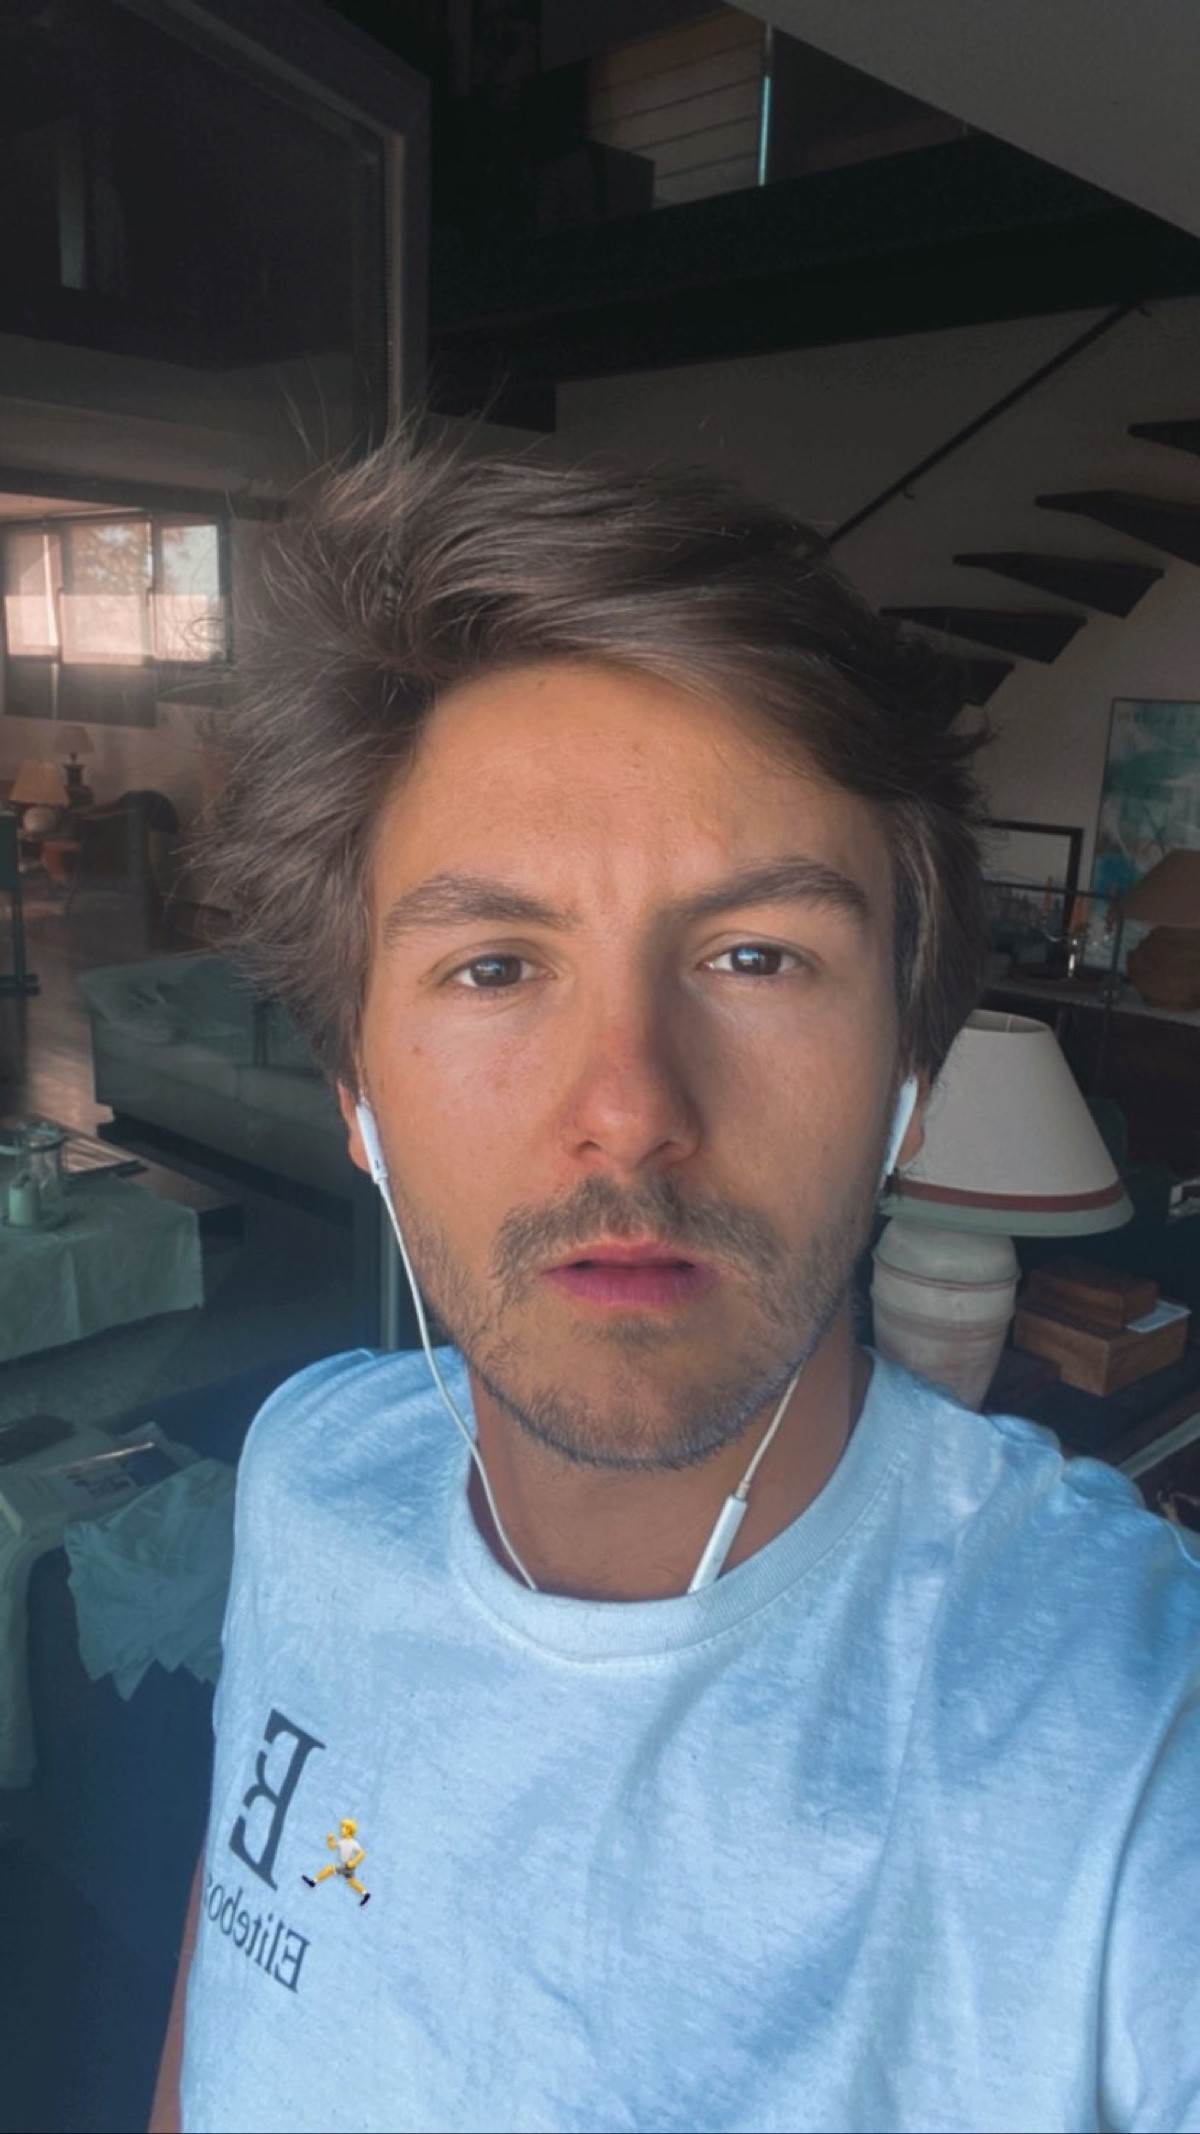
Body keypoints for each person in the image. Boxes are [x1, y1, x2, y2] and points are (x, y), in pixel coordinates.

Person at [151, 431, 1199, 2134]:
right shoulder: (306, 1473)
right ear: (357, 1091)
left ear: (910, 1078)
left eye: (757, 955)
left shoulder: (1123, 1731)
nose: (631, 1106)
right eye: (497, 964)